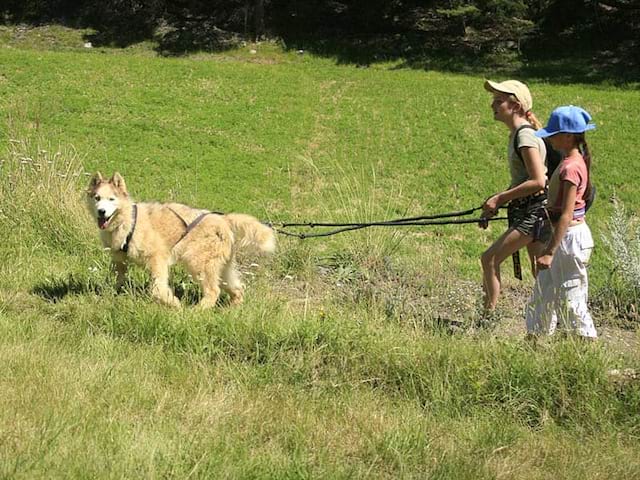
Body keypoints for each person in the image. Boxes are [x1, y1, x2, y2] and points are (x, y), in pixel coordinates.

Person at [526, 106, 597, 339]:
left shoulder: (570, 168)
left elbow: (566, 214)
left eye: (554, 134)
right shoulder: (573, 160)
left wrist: (549, 251)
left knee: (571, 297)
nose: (550, 138)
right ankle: (534, 341)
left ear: (568, 136)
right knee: (543, 293)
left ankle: (585, 347)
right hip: (562, 237)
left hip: (568, 240)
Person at [479, 80, 549, 315]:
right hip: (531, 210)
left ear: (516, 106)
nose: (493, 105)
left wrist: (500, 198)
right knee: (541, 270)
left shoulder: (525, 137)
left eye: (499, 101)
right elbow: (524, 180)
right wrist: (498, 201)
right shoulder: (519, 134)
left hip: (533, 212)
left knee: (489, 259)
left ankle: (488, 317)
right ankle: (549, 320)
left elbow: (538, 181)